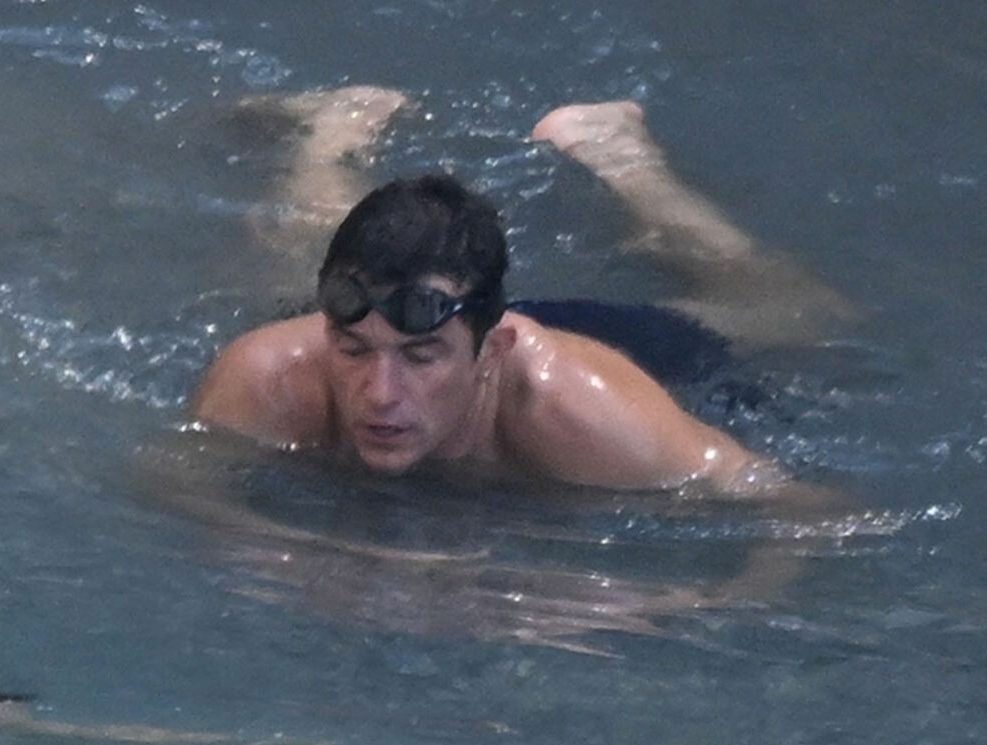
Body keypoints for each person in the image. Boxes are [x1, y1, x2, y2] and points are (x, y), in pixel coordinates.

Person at [191, 94, 854, 495]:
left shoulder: (585, 415)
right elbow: (181, 493)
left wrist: (678, 606)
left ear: (493, 350)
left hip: (597, 343)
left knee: (795, 316)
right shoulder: (268, 377)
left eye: (420, 358)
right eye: (354, 350)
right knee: (310, 256)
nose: (381, 394)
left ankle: (618, 154)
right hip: (448, 312)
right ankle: (335, 130)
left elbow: (806, 514)